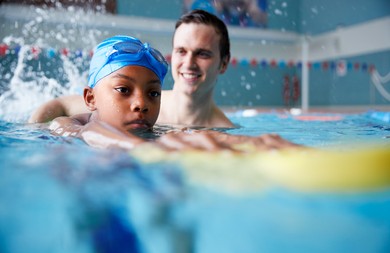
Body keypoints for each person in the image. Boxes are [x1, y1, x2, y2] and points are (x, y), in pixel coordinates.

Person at [47, 35, 299, 152]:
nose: (141, 104)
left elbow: (184, 135)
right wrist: (146, 150)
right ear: (91, 99)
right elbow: (87, 133)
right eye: (124, 90)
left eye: (153, 93)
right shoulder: (68, 123)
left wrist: (253, 142)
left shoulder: (152, 130)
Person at [29, 9, 235, 128]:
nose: (189, 63)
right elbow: (60, 104)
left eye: (202, 54)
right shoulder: (128, 100)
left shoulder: (223, 130)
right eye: (181, 51)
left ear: (224, 63)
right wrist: (35, 135)